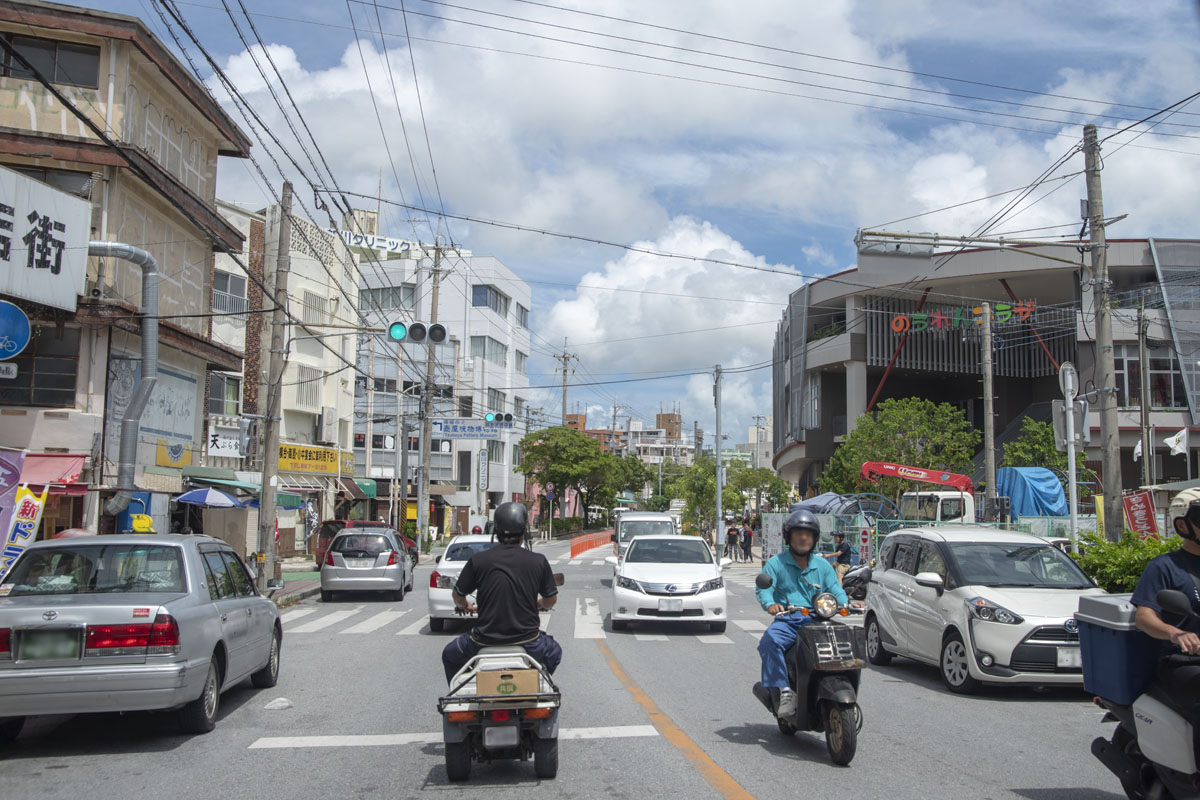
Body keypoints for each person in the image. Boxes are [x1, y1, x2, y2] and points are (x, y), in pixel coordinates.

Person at [441, 502, 562, 684]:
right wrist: (539, 605)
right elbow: (550, 600)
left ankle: (462, 692)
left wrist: (465, 606)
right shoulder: (538, 561)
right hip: (529, 640)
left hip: (483, 640)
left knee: (449, 655)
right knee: (554, 651)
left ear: (495, 531)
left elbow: (458, 596)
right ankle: (536, 685)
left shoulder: (478, 560)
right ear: (524, 531)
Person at [756, 509, 852, 718]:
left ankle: (844, 681)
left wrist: (846, 603)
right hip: (788, 621)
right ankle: (784, 690)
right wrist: (771, 603)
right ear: (789, 536)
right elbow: (764, 588)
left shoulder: (823, 565)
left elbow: (835, 589)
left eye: (808, 533)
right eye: (798, 533)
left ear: (814, 538)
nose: (803, 537)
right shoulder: (776, 563)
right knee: (769, 641)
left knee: (848, 640)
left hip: (818, 620)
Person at [1132, 490, 1200, 657]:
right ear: (1182, 525)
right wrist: (1176, 634)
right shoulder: (1164, 566)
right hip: (1186, 659)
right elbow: (1144, 617)